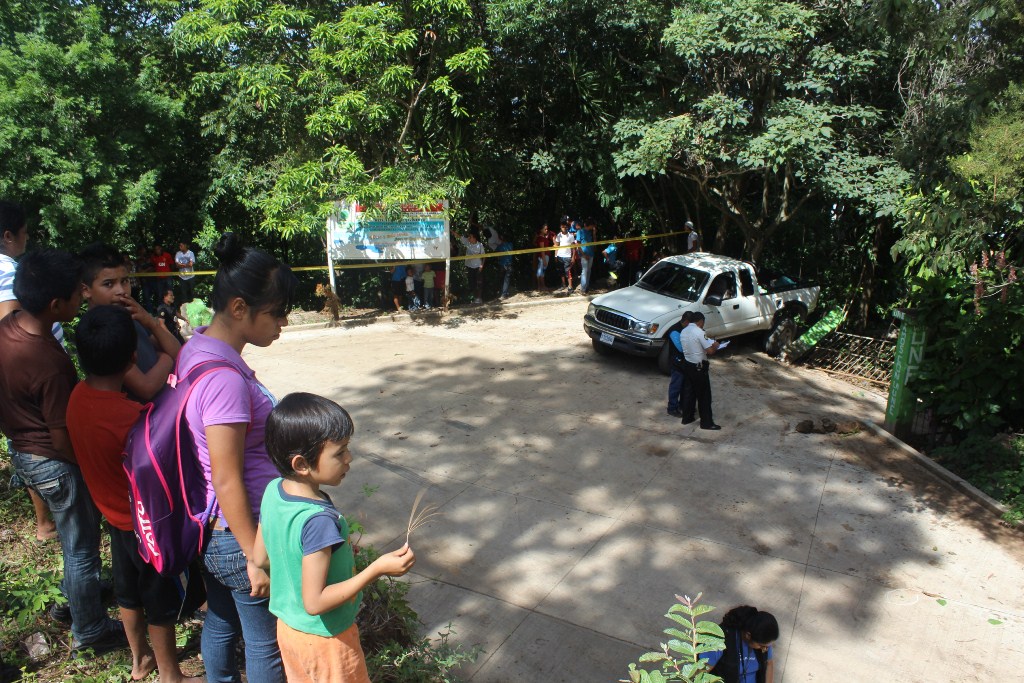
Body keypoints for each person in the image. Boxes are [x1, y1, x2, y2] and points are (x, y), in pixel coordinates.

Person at [179, 232, 297, 683]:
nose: (283, 322)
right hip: (238, 532)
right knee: (267, 643)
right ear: (240, 308)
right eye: (277, 312)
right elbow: (227, 478)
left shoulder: (199, 346)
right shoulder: (225, 380)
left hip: (213, 527)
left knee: (222, 621)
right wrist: (256, 555)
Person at [0, 249, 127, 656]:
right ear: (57, 305)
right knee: (81, 548)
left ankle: (75, 600)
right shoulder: (48, 362)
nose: (82, 298)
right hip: (53, 461)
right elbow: (61, 438)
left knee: (75, 544)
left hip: (23, 450)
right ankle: (89, 628)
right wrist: (90, 465)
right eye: (77, 294)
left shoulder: (7, 329)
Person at [67, 305, 203, 683]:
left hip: (114, 518)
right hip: (146, 526)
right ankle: (171, 674)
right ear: (131, 359)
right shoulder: (131, 419)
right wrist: (157, 337)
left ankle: (140, 661)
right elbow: (174, 358)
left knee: (128, 595)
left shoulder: (77, 398)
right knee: (159, 603)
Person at [253, 393, 416, 683]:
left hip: (289, 631)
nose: (349, 458)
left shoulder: (273, 490)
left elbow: (260, 558)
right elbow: (314, 602)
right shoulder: (319, 522)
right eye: (340, 452)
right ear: (302, 464)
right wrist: (376, 569)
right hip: (327, 641)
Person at [0, 200, 57, 542]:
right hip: (27, 371)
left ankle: (45, 522)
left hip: (15, 373)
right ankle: (47, 524)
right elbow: (9, 321)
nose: (27, 239)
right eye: (24, 233)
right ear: (8, 236)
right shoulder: (7, 269)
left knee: (21, 439)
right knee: (37, 439)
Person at [79, 243, 181, 402]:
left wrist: (151, 322)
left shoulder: (130, 315)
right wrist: (166, 358)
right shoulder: (97, 332)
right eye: (108, 284)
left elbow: (178, 352)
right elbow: (146, 388)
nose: (121, 291)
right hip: (140, 421)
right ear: (86, 290)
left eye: (125, 281)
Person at [699, 605, 778, 683]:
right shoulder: (720, 640)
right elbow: (700, 674)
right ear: (748, 635)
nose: (765, 649)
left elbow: (769, 664)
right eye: (761, 646)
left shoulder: (764, 640)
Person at [679, 311, 722, 430]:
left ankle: (687, 418)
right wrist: (716, 346)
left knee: (689, 393)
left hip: (688, 364)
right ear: (701, 321)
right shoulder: (699, 332)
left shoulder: (684, 331)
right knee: (704, 396)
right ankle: (706, 422)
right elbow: (710, 351)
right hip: (699, 367)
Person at [666, 312, 692, 418]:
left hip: (685, 363)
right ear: (686, 322)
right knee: (676, 386)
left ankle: (682, 405)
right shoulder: (674, 330)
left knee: (684, 386)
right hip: (677, 363)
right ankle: (672, 408)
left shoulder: (686, 329)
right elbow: (681, 348)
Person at [457, 230, 485, 304]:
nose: (469, 238)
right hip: (469, 267)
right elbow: (458, 236)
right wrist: (450, 229)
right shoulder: (467, 242)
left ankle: (479, 298)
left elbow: (484, 256)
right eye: (469, 237)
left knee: (479, 283)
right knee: (472, 284)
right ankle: (476, 298)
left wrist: (482, 265)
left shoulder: (480, 245)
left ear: (475, 238)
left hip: (478, 266)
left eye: (470, 237)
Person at [146, 244, 173, 313]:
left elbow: (171, 265)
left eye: (158, 249)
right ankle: (161, 309)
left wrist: (169, 273)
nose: (157, 250)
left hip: (167, 277)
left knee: (169, 292)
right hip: (159, 279)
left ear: (161, 248)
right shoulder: (153, 257)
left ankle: (171, 309)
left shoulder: (167, 255)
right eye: (155, 249)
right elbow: (153, 266)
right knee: (160, 294)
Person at [554, 222, 576, 292]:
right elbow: (556, 246)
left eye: (565, 227)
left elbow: (573, 247)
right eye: (563, 227)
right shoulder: (558, 235)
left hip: (567, 257)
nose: (564, 228)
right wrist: (556, 256)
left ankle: (570, 286)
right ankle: (563, 285)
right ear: (560, 227)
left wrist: (573, 257)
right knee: (561, 272)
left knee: (568, 271)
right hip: (560, 256)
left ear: (567, 227)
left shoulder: (570, 236)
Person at [577, 219, 597, 294]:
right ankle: (583, 288)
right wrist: (584, 254)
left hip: (591, 253)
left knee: (588, 271)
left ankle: (586, 287)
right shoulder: (580, 232)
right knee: (584, 271)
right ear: (590, 225)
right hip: (584, 255)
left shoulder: (591, 233)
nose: (593, 227)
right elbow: (578, 244)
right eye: (593, 226)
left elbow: (595, 243)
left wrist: (594, 234)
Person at [534, 224, 554, 291]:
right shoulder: (541, 238)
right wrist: (544, 259)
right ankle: (542, 286)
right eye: (545, 229)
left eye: (547, 229)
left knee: (541, 271)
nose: (546, 230)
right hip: (543, 257)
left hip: (545, 256)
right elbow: (542, 249)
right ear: (541, 230)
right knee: (541, 272)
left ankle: (540, 287)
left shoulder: (543, 238)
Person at [495, 233, 514, 299]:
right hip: (509, 264)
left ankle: (503, 294)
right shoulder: (511, 245)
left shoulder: (500, 246)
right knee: (506, 279)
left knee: (503, 279)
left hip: (502, 265)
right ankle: (505, 293)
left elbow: (497, 254)